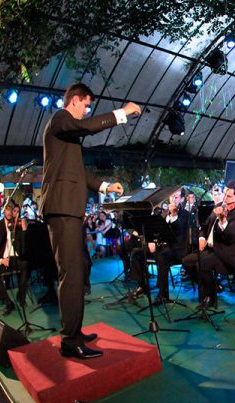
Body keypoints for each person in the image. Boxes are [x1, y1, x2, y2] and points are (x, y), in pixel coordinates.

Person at [40, 83, 140, 360]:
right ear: (74, 100)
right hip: (61, 209)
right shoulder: (61, 119)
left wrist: (106, 186)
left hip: (68, 210)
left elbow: (79, 173)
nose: (86, 111)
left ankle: (75, 331)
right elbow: (87, 127)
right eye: (85, 105)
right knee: (71, 274)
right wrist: (122, 113)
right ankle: (70, 341)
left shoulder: (67, 137)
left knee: (79, 270)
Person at [182, 180, 235, 309]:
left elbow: (230, 238)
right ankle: (213, 285)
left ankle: (210, 297)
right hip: (211, 249)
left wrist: (223, 220)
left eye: (228, 196)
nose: (224, 198)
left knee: (203, 264)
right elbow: (204, 226)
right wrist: (201, 237)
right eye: (224, 194)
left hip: (226, 254)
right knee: (187, 261)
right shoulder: (218, 206)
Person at [128, 188, 190, 304]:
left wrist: (174, 215)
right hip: (161, 247)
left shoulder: (185, 215)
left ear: (182, 199)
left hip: (176, 249)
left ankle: (163, 294)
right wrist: (151, 240)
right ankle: (142, 286)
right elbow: (155, 230)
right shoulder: (163, 213)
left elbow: (179, 230)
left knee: (162, 255)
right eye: (171, 197)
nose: (173, 199)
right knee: (136, 253)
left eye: (176, 197)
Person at [0, 201, 30, 315]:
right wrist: (1, 260)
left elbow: (24, 249)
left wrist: (24, 231)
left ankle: (21, 297)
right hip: (4, 260)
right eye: (7, 209)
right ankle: (8, 301)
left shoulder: (17, 225)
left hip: (15, 259)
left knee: (26, 265)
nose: (10, 212)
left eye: (12, 210)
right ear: (3, 210)